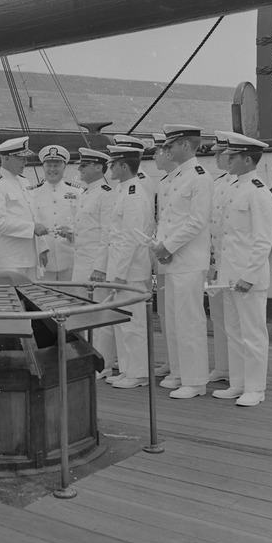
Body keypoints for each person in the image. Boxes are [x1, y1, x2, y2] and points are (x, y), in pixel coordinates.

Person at [211, 132, 272, 407]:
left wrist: (248, 277)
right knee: (234, 332)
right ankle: (238, 383)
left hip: (248, 278)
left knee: (253, 334)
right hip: (229, 276)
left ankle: (256, 389)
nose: (228, 159)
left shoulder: (258, 192)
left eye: (233, 156)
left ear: (248, 160)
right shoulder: (235, 188)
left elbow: (262, 240)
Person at [152, 124, 214, 399]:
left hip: (188, 260)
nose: (167, 150)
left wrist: (167, 245)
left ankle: (196, 381)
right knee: (176, 321)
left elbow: (196, 221)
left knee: (190, 322)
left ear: (187, 146)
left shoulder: (199, 178)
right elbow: (167, 219)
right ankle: (179, 372)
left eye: (171, 145)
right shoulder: (173, 179)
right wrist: (162, 247)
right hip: (172, 260)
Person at [103, 144, 154, 389]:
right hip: (121, 268)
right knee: (123, 323)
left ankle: (139, 373)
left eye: (112, 164)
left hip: (130, 271)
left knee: (133, 324)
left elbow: (130, 238)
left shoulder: (134, 194)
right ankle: (127, 370)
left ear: (124, 166)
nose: (109, 168)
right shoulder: (123, 191)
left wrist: (120, 275)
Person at [69, 147, 117, 379]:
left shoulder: (107, 194)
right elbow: (87, 232)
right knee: (84, 316)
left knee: (100, 318)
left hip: (96, 267)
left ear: (98, 167)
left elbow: (108, 234)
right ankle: (88, 359)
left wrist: (100, 267)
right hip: (81, 264)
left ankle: (104, 363)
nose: (79, 169)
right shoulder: (86, 193)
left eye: (84, 165)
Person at [0, 136, 50, 280]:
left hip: (30, 258)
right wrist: (32, 228)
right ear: (6, 158)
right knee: (10, 301)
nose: (25, 162)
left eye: (25, 158)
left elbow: (33, 215)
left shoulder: (24, 182)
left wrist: (42, 248)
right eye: (21, 158)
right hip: (9, 260)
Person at [205, 131, 236, 383]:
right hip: (217, 262)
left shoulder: (246, 187)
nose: (215, 156)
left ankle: (239, 371)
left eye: (220, 152)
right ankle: (223, 367)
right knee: (218, 317)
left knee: (237, 323)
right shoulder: (216, 184)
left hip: (235, 264)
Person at [31, 144, 80, 281]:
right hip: (44, 259)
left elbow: (83, 222)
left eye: (57, 165)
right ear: (43, 167)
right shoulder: (32, 193)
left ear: (64, 167)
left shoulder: (77, 193)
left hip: (70, 257)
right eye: (49, 165)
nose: (52, 169)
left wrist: (71, 230)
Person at [149, 132, 171, 378]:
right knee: (165, 313)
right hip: (163, 256)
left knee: (179, 317)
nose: (154, 156)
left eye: (157, 151)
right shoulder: (164, 183)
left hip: (174, 256)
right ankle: (171, 362)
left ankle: (182, 370)